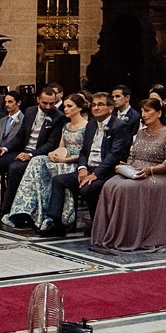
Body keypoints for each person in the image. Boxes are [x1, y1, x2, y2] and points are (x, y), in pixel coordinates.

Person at [89, 96, 166, 251]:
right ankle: (108, 235)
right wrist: (127, 166)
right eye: (142, 111)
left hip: (158, 175)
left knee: (125, 188)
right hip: (136, 170)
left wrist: (149, 170)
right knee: (110, 184)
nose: (143, 114)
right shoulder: (141, 133)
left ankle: (127, 236)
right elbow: (132, 155)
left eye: (147, 111)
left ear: (158, 113)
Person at [38, 89, 133, 235]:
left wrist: (95, 174)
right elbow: (84, 151)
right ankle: (57, 223)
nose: (96, 108)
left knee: (87, 188)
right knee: (59, 180)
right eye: (94, 105)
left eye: (100, 105)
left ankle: (98, 224)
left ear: (110, 108)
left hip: (107, 172)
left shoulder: (119, 126)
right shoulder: (91, 125)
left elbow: (114, 155)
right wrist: (82, 168)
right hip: (89, 168)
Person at [7, 93, 87, 228]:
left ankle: (50, 214)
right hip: (62, 158)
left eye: (69, 106)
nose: (65, 109)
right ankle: (26, 209)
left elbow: (84, 153)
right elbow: (61, 147)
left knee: (57, 170)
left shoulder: (87, 126)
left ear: (79, 108)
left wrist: (64, 159)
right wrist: (53, 154)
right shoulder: (66, 125)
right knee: (37, 161)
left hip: (74, 163)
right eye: (65, 106)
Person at [0, 84, 64, 221]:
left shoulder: (58, 117)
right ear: (38, 100)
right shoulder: (30, 111)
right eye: (45, 103)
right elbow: (20, 136)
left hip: (38, 156)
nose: (48, 107)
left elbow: (51, 144)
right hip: (21, 151)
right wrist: (5, 148)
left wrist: (30, 155)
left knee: (15, 168)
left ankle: (6, 209)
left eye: (51, 104)